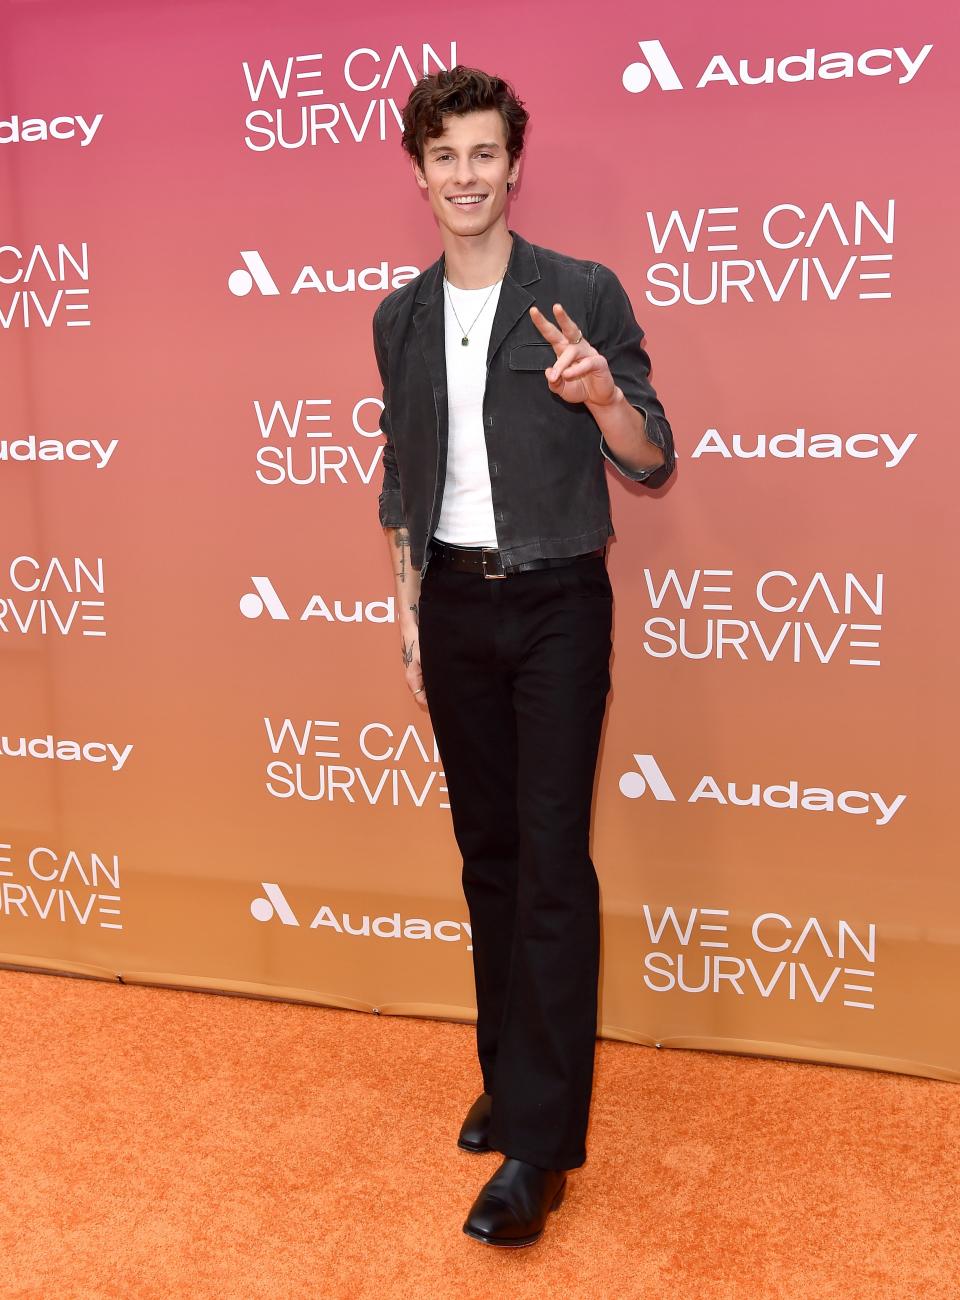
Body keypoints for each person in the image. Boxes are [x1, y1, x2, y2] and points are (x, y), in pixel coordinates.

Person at [371, 65, 676, 1247]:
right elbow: (404, 479)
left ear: (514, 165)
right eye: (444, 156)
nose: (465, 176)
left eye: (484, 154)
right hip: (450, 604)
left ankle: (539, 1147)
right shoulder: (397, 317)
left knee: (553, 862)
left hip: (558, 603)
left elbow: (651, 459)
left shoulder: (579, 292)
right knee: (489, 856)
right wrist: (406, 610)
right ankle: (511, 1074)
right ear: (419, 170)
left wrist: (602, 399)